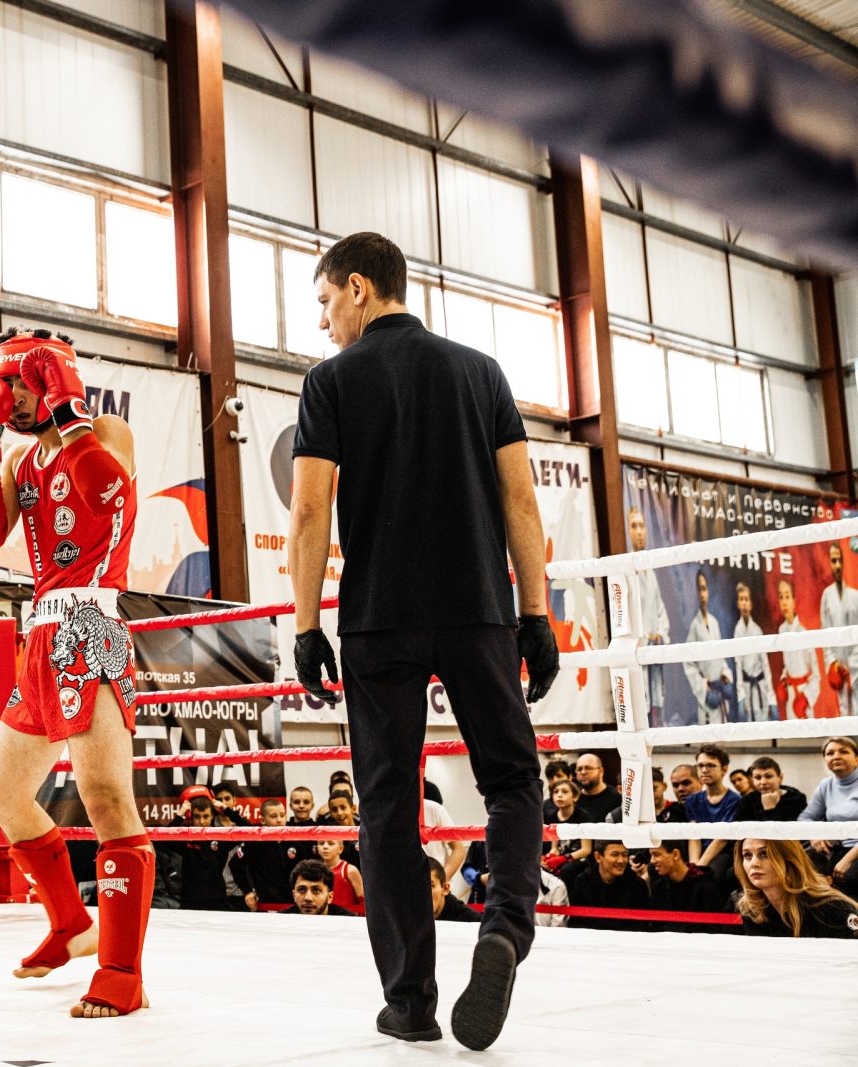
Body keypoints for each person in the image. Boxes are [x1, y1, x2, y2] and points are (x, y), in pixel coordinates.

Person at [288, 232, 557, 1050]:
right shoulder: (482, 372)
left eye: (326, 302)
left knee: (386, 807)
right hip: (478, 609)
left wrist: (306, 624)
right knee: (513, 778)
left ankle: (409, 1000)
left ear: (359, 287)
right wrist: (536, 614)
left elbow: (310, 510)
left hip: (380, 618)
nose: (325, 322)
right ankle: (504, 929)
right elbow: (521, 501)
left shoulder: (331, 381)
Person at [0, 326, 147, 1020]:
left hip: (93, 623)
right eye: (1, 385)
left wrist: (69, 410)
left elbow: (107, 496)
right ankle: (70, 921)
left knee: (105, 796)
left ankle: (123, 971)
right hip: (41, 635)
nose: (6, 397)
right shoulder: (19, 460)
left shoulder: (108, 432)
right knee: (3, 794)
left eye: (18, 383)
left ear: (50, 380)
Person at [736, 838, 858, 938]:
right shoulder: (750, 910)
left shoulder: (832, 907)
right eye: (747, 855)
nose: (753, 863)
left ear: (788, 858)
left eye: (764, 854)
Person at [799, 736, 858, 895]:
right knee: (799, 869)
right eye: (830, 753)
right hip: (834, 847)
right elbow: (805, 818)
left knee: (849, 876)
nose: (836, 756)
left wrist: (848, 859)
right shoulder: (826, 785)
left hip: (855, 848)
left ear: (856, 759)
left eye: (843, 751)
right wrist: (815, 834)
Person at [626, 509, 669, 726]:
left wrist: (659, 634)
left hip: (652, 651)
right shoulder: (625, 571)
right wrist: (640, 638)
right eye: (634, 526)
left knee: (656, 708)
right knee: (639, 710)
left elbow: (660, 611)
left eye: (642, 526)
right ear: (628, 531)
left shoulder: (650, 572)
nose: (639, 532)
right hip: (636, 652)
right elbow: (623, 615)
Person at [166, 795, 238, 910]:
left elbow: (249, 830)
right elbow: (165, 839)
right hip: (190, 900)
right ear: (191, 817)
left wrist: (227, 810)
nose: (201, 821)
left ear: (212, 816)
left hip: (217, 900)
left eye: (205, 816)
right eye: (197, 817)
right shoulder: (186, 838)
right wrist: (180, 815)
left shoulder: (221, 836)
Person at [637, 841, 728, 933]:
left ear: (675, 854)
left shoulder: (706, 888)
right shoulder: (658, 888)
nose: (652, 861)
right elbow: (656, 928)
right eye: (651, 855)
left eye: (656, 854)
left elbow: (714, 930)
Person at [683, 570, 735, 725]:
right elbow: (688, 664)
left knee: (723, 733)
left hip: (719, 693)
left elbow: (720, 658)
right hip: (708, 696)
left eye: (704, 589)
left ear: (708, 591)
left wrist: (725, 676)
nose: (702, 594)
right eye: (699, 589)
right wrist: (703, 689)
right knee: (708, 735)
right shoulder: (695, 626)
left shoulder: (714, 622)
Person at [566, 841, 648, 932]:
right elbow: (576, 922)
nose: (621, 860)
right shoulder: (582, 882)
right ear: (598, 857)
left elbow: (641, 925)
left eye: (624, 855)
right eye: (615, 855)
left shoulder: (637, 885)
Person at [232, 800, 297, 911]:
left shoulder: (295, 840)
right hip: (265, 905)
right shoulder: (255, 842)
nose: (279, 820)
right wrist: (247, 891)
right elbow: (234, 864)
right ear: (263, 820)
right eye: (273, 816)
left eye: (282, 815)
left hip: (292, 904)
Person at [686, 744, 740, 873]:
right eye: (700, 766)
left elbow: (722, 839)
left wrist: (700, 867)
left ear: (724, 769)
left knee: (713, 873)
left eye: (710, 765)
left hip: (723, 852)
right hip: (700, 850)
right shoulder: (692, 800)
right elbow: (694, 835)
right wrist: (694, 865)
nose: (704, 770)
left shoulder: (735, 800)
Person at [820, 544, 858, 716]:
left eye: (839, 561)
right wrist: (833, 663)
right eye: (833, 561)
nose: (837, 565)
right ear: (829, 563)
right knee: (843, 712)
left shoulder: (855, 596)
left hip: (856, 664)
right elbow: (824, 634)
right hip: (839, 669)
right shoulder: (827, 596)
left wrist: (853, 663)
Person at [732, 583, 775, 722]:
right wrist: (741, 694)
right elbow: (738, 664)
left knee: (763, 720)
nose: (744, 603)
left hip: (760, 684)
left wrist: (770, 693)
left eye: (746, 599)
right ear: (738, 604)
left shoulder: (757, 630)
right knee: (749, 722)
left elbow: (765, 664)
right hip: (746, 685)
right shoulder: (737, 631)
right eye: (741, 599)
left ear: (750, 604)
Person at [778, 579, 821, 717]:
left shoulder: (803, 632)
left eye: (787, 596)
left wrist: (806, 697)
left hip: (803, 694)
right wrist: (784, 679)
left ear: (794, 601)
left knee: (807, 729)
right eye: (781, 597)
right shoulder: (781, 630)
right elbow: (788, 665)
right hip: (791, 694)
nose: (784, 602)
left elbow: (816, 674)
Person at [735, 756, 806, 822]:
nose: (763, 782)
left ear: (780, 778)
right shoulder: (747, 802)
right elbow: (740, 828)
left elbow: (789, 829)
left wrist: (769, 809)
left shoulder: (796, 800)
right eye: (758, 778)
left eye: (768, 776)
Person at [285, 859, 355, 916]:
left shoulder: (349, 922)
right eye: (302, 890)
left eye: (316, 890)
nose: (308, 898)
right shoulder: (281, 920)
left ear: (329, 897)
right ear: (294, 895)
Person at [316, 837, 364, 914]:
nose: (325, 847)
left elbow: (363, 902)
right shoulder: (315, 871)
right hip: (322, 918)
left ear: (341, 849)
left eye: (331, 843)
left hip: (346, 918)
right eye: (321, 843)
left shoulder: (350, 870)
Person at [572, 753, 620, 823]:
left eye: (588, 768)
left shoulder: (617, 798)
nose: (583, 772)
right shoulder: (573, 798)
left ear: (601, 771)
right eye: (579, 769)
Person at [430, 858, 481, 923]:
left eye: (430, 886)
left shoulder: (473, 922)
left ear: (445, 889)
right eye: (418, 886)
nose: (422, 892)